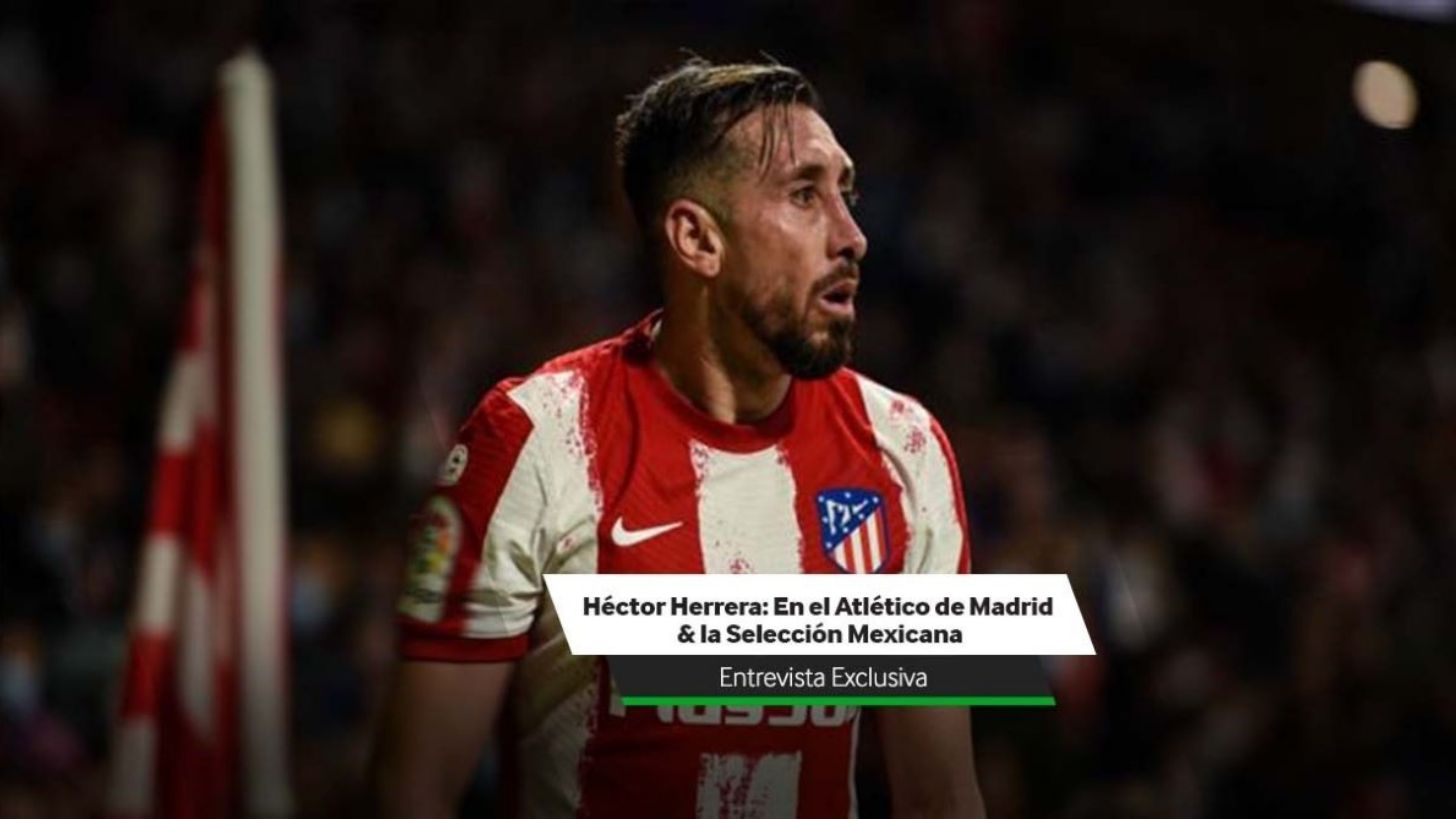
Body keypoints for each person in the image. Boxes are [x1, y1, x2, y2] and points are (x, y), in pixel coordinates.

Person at [369, 57, 985, 818]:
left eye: (845, 193)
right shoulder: (536, 440)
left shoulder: (906, 450)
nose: (853, 236)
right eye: (804, 195)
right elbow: (411, 793)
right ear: (698, 238)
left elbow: (942, 797)